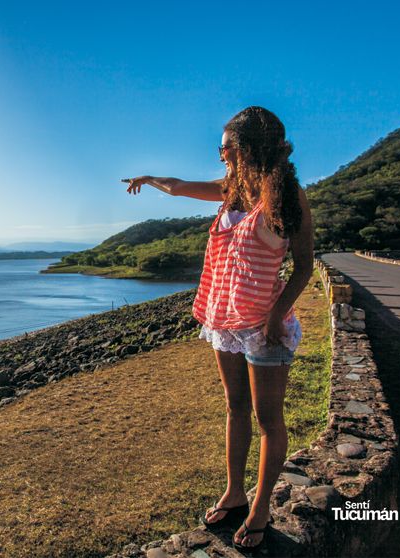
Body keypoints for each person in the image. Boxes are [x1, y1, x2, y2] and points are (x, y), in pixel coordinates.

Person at [121, 106, 314, 554]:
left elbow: (303, 266)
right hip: (224, 320)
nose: (219, 154)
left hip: (264, 326)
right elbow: (179, 187)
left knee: (269, 420)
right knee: (235, 408)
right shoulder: (231, 191)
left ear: (245, 149)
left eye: (224, 147)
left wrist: (274, 316)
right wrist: (149, 178)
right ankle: (234, 493)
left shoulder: (287, 196)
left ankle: (261, 507)